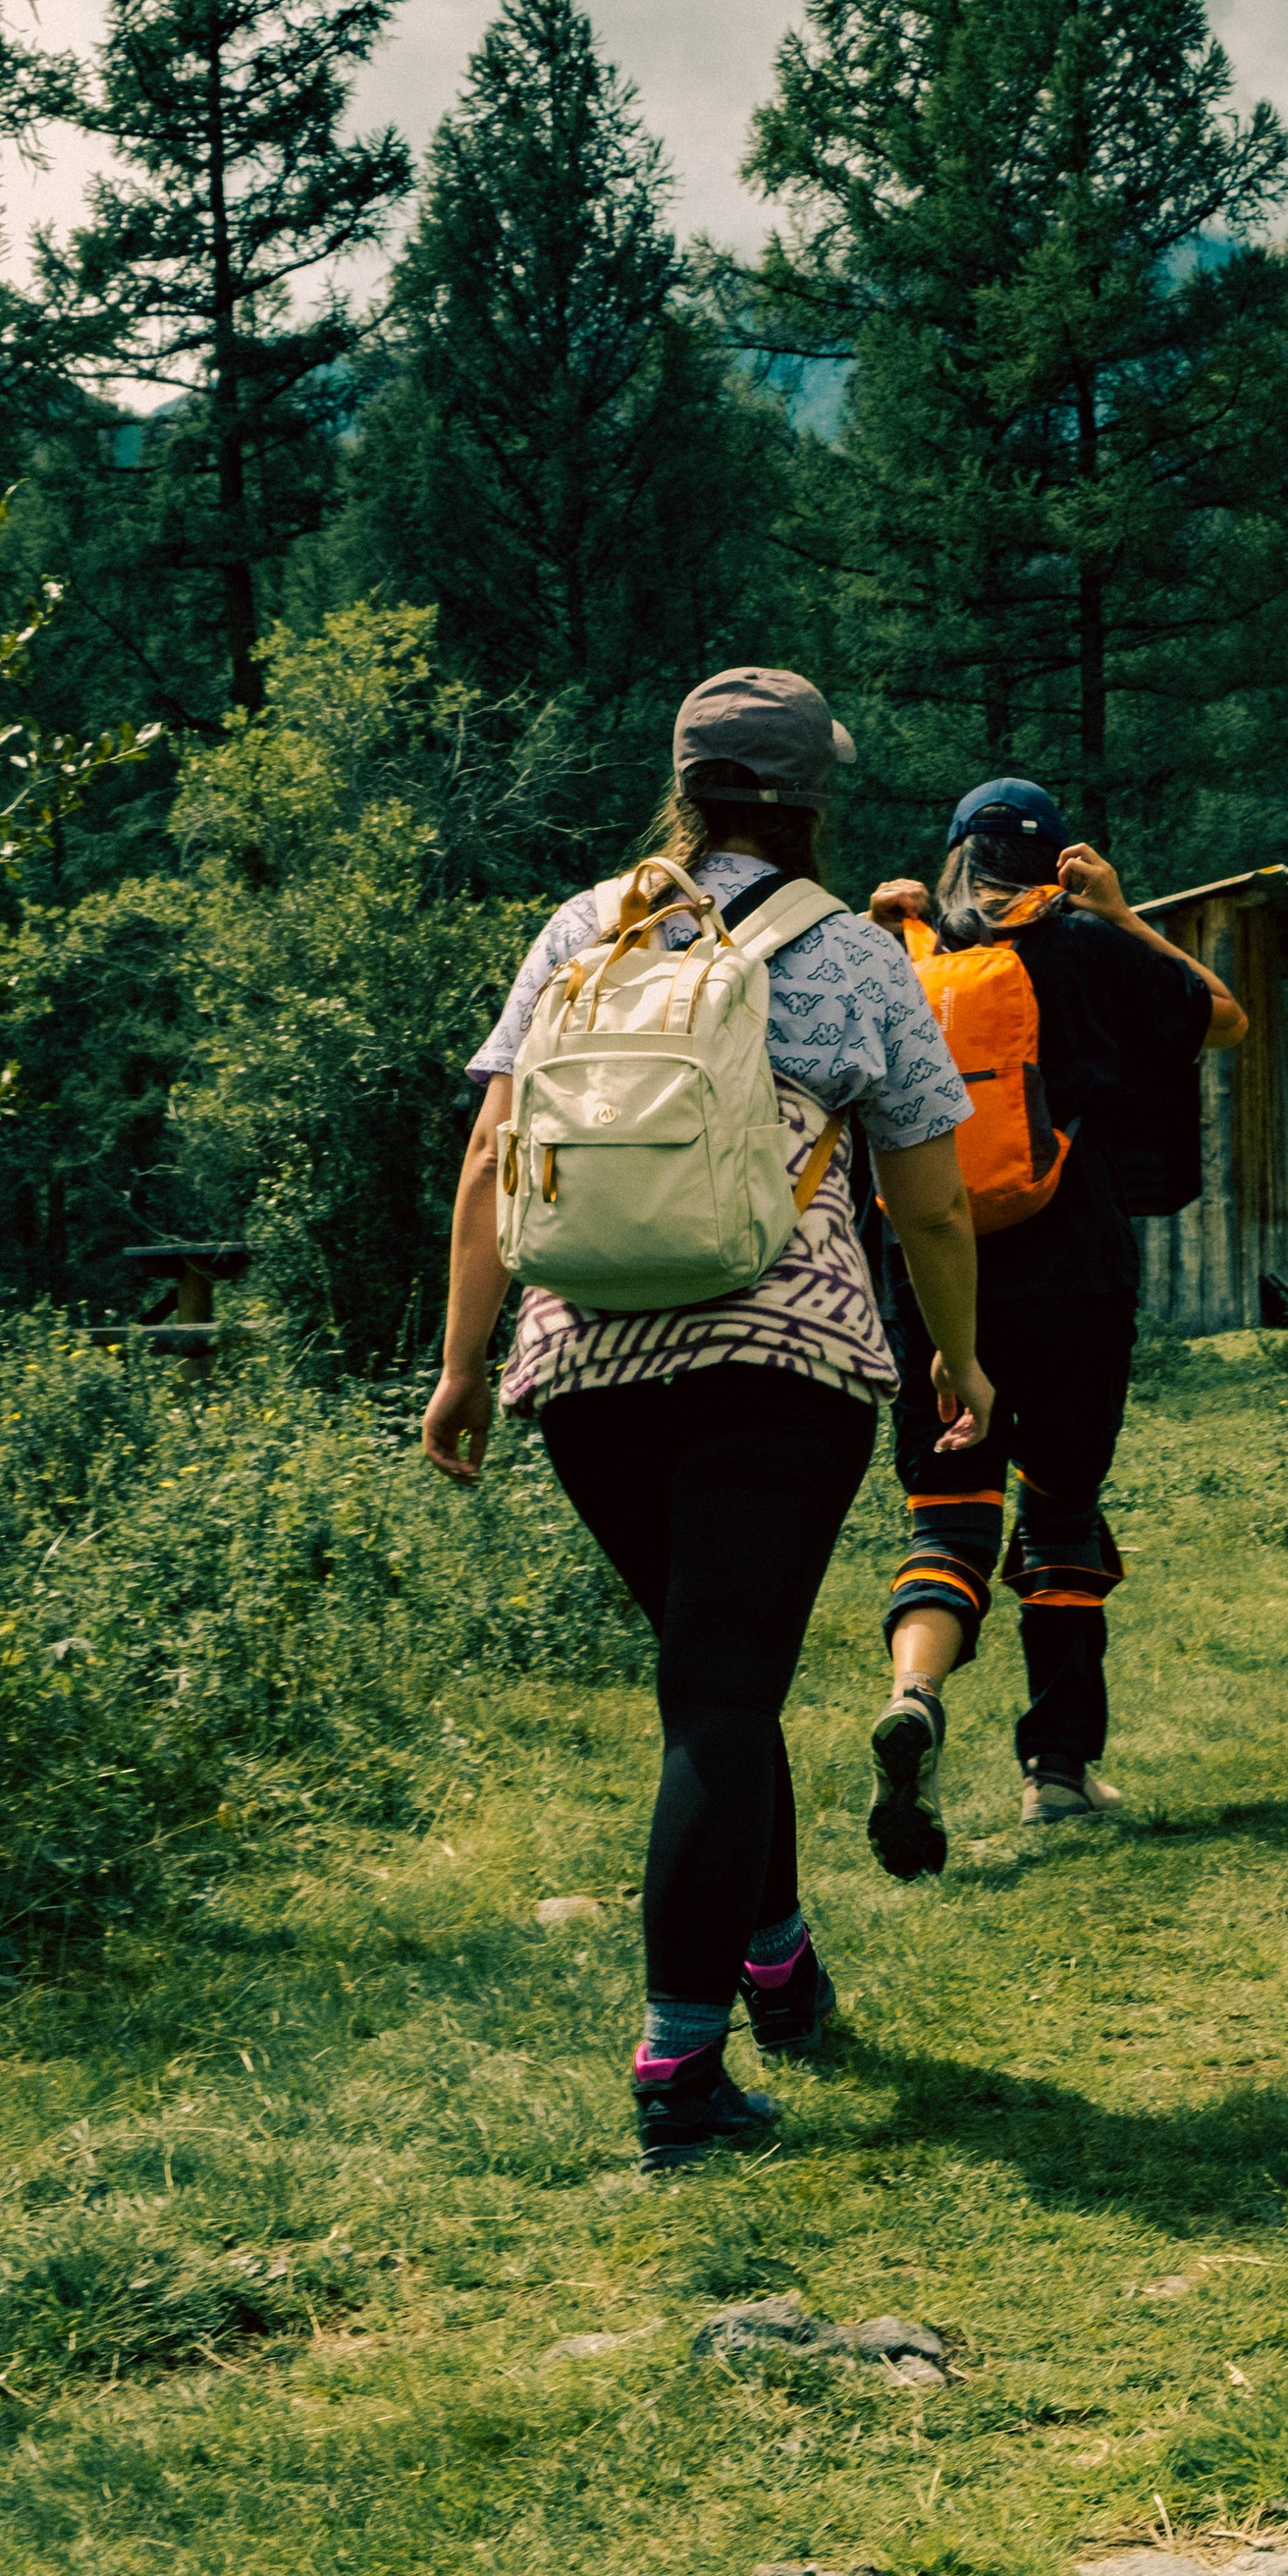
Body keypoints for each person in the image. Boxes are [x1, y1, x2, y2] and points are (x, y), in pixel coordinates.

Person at [421, 668, 990, 2176]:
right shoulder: (858, 953)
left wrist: (464, 1365)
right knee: (722, 1694)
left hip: (580, 1363)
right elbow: (928, 1199)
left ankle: (781, 1964)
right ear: (809, 796)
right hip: (778, 1356)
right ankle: (680, 2062)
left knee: (708, 1685)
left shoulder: (581, 929)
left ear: (684, 783)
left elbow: (492, 1150)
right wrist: (962, 1360)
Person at [865, 777, 1247, 1873]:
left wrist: (881, 922)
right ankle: (1058, 1772)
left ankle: (916, 1693)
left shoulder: (905, 952)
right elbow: (1223, 1015)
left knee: (945, 1517)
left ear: (954, 861)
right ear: (1052, 866)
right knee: (1062, 1511)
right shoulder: (1087, 945)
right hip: (1073, 1272)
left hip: (928, 1280)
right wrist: (1124, 913)